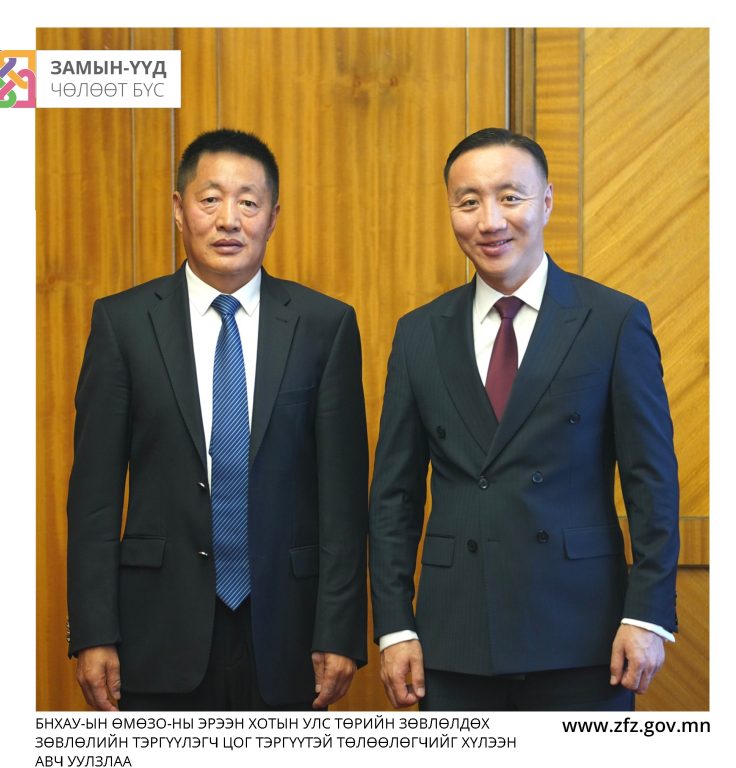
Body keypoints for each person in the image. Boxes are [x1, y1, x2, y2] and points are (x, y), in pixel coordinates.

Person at [368, 128, 679, 711]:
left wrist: (647, 614)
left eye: (510, 197)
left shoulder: (612, 321)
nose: (490, 221)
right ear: (451, 210)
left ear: (547, 201)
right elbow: (394, 497)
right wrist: (395, 625)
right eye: (469, 202)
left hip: (583, 632)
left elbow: (651, 482)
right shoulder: (419, 333)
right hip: (452, 636)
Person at [67, 128, 369, 711]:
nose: (229, 219)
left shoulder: (324, 325)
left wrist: (339, 631)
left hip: (288, 628)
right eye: (210, 199)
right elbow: (95, 498)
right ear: (179, 210)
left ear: (273, 217)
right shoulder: (123, 324)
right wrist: (93, 631)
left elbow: (343, 497)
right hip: (156, 628)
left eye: (248, 202)